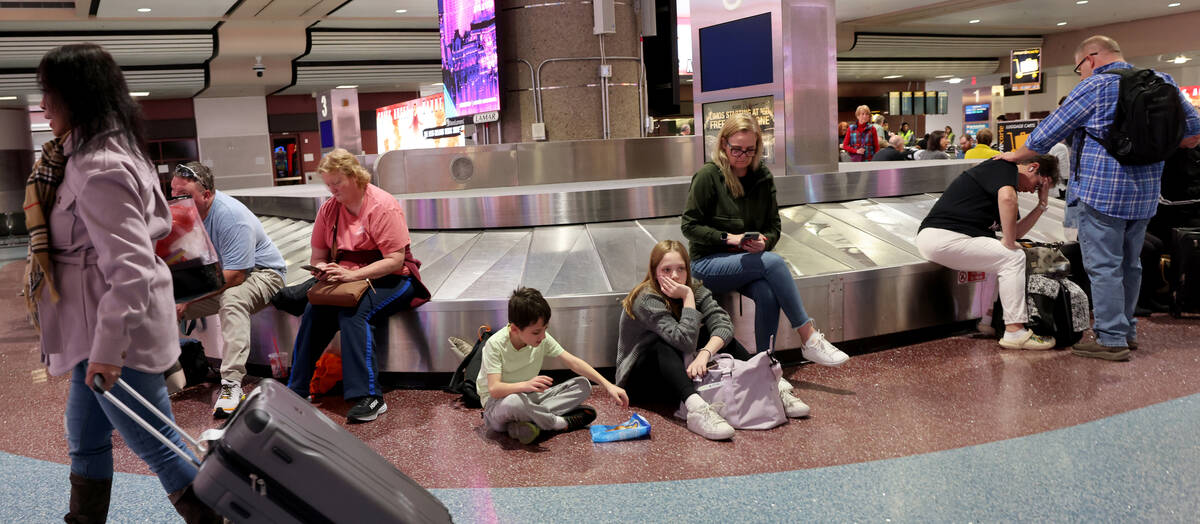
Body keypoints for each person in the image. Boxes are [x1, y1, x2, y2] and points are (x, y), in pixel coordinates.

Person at [29, 43, 219, 523]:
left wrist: (109, 350)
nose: (44, 106)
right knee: (86, 441)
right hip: (92, 332)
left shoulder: (99, 167)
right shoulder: (100, 152)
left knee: (158, 444)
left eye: (50, 94)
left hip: (114, 334)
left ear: (80, 96)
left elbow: (129, 268)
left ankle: (215, 517)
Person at [999, 35, 1200, 361]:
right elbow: (1192, 136)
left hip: (1101, 191)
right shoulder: (1162, 81)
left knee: (1104, 266)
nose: (1081, 74)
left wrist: (1012, 156)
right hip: (1146, 193)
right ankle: (1126, 331)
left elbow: (1046, 134)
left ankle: (1110, 339)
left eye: (1079, 68)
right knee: (1130, 264)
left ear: (1090, 59)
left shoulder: (1094, 86)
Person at [682, 113, 849, 366]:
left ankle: (765, 364)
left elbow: (773, 226)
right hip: (708, 262)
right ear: (724, 144)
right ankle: (808, 337)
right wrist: (730, 239)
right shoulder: (709, 176)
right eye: (736, 149)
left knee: (768, 293)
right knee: (773, 263)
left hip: (747, 260)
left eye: (749, 150)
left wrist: (764, 242)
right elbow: (689, 226)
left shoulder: (762, 177)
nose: (742, 156)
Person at [286, 148, 431, 423]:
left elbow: (394, 260)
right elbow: (317, 255)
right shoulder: (330, 209)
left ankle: (370, 396)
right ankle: (297, 388)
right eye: (328, 184)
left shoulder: (381, 205)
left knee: (355, 313)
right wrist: (322, 270)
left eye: (337, 183)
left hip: (394, 278)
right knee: (315, 312)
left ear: (355, 176)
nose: (332, 189)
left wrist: (353, 275)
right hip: (347, 277)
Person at [615, 241, 809, 441]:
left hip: (678, 372)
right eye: (666, 270)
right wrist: (687, 298)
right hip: (640, 382)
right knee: (661, 343)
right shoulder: (647, 298)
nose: (675, 276)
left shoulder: (695, 287)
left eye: (680, 269)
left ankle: (775, 387)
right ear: (654, 272)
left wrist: (706, 353)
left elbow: (724, 324)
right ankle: (697, 410)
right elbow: (683, 341)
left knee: (718, 335)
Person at [169, 162, 287, 417]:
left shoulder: (231, 216)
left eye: (185, 195)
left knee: (232, 300)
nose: (178, 200)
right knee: (157, 304)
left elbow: (235, 277)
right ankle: (157, 374)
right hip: (216, 278)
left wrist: (190, 298)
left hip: (262, 274)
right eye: (174, 193)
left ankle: (232, 384)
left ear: (207, 195)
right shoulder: (184, 216)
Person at [915, 157, 1062, 350]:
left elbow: (1015, 232)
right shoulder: (1002, 167)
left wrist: (1042, 204)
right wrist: (1010, 244)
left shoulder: (1006, 185)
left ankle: (987, 320)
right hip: (942, 236)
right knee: (1013, 257)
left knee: (1001, 255)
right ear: (1033, 167)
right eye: (1037, 185)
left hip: (951, 238)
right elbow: (1007, 201)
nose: (1032, 190)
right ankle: (1014, 331)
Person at [479, 287, 629, 444]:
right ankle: (559, 423)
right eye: (536, 332)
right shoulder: (495, 345)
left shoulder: (542, 338)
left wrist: (608, 385)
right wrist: (526, 385)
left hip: (529, 399)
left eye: (545, 329)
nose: (543, 336)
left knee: (583, 385)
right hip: (497, 407)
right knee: (514, 402)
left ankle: (524, 426)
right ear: (515, 329)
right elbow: (494, 389)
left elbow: (573, 362)